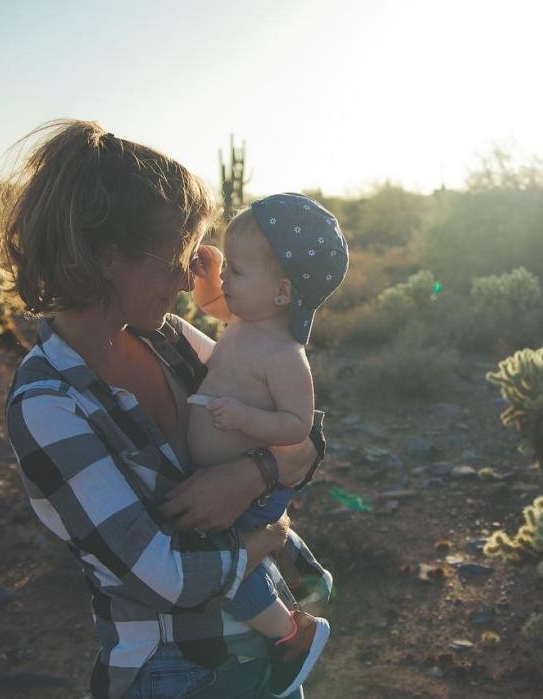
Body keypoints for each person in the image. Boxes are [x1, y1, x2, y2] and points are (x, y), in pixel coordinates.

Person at [0, 120, 332, 699]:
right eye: (174, 255)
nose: (185, 277)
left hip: (261, 653)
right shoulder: (48, 403)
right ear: (105, 258)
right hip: (176, 670)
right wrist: (266, 537)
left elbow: (304, 436)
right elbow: (163, 577)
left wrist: (254, 473)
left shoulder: (170, 338)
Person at [184, 194, 348, 696]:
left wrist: (246, 418)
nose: (227, 281)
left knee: (229, 561)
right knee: (249, 541)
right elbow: (213, 304)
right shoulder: (244, 321)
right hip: (234, 482)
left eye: (237, 270)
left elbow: (297, 425)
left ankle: (289, 635)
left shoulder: (283, 355)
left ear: (280, 291)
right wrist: (211, 275)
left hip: (249, 488)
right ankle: (304, 566)